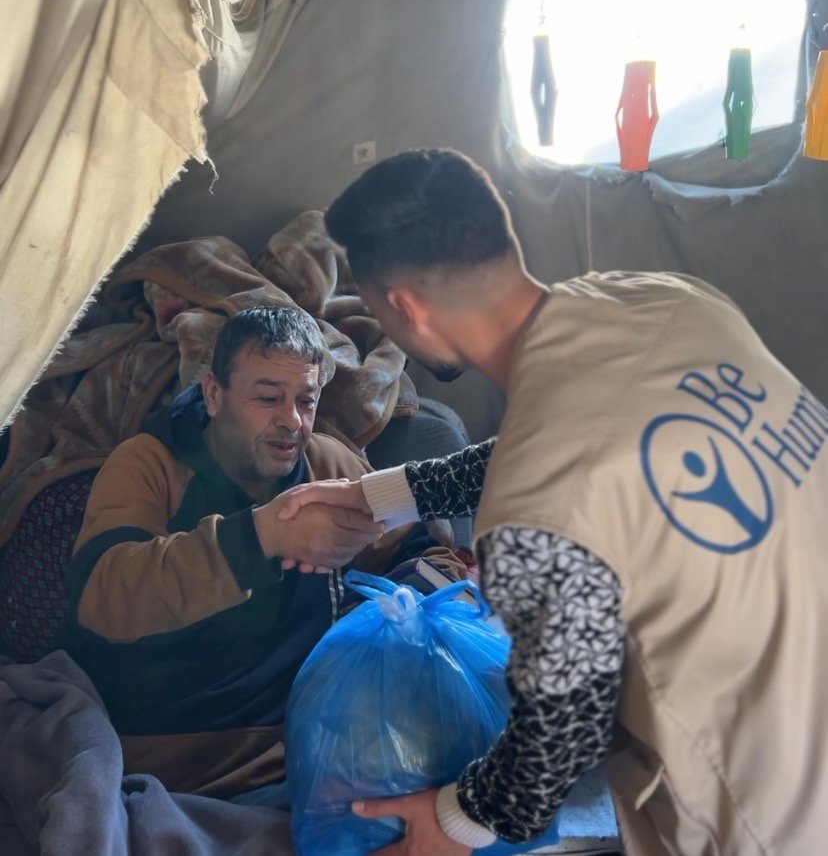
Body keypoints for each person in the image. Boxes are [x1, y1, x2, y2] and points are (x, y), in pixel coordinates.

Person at [282, 149, 828, 855]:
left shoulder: (531, 514)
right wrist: (379, 494)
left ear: (407, 310)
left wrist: (454, 821)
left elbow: (563, 727)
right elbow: (570, 440)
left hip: (769, 803)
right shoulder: (667, 299)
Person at [64, 305, 463, 801]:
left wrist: (425, 609)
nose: (291, 421)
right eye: (268, 398)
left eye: (306, 401)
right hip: (176, 758)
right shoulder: (149, 463)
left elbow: (422, 554)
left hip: (313, 742)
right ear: (213, 393)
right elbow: (102, 596)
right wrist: (259, 538)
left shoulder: (326, 462)